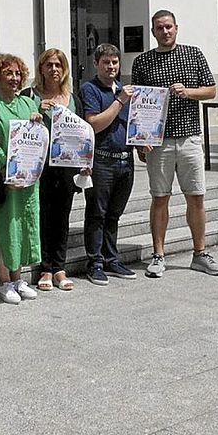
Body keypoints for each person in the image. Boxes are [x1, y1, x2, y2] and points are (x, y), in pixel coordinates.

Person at [130, 9, 218, 278]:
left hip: (190, 137)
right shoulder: (142, 62)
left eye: (169, 27)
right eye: (160, 28)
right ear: (153, 32)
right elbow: (139, 103)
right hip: (158, 143)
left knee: (196, 197)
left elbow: (212, 90)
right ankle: (158, 255)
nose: (165, 31)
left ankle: (200, 253)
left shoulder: (193, 54)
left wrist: (188, 91)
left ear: (176, 28)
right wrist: (140, 141)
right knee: (160, 198)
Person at [0, 54, 42, 305]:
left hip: (28, 179)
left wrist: (38, 121)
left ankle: (19, 279)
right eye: (9, 73)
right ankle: (4, 282)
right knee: (4, 228)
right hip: (4, 179)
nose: (15, 79)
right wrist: (5, 171)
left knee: (23, 227)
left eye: (18, 74)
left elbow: (37, 139)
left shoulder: (28, 104)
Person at [22, 48, 83, 292]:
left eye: (58, 65)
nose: (54, 69)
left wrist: (85, 163)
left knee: (62, 217)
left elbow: (82, 132)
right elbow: (22, 130)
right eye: (49, 65)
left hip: (67, 165)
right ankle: (45, 268)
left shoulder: (72, 97)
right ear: (41, 69)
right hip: (41, 165)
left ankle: (60, 267)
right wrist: (35, 115)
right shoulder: (30, 96)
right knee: (44, 216)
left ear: (64, 69)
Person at [80, 43, 137, 286]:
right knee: (97, 214)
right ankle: (94, 263)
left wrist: (142, 141)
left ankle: (112, 259)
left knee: (114, 214)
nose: (111, 66)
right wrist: (120, 101)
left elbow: (131, 124)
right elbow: (95, 124)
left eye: (114, 62)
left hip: (125, 160)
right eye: (106, 62)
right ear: (96, 64)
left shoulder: (124, 90)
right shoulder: (90, 89)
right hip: (101, 160)